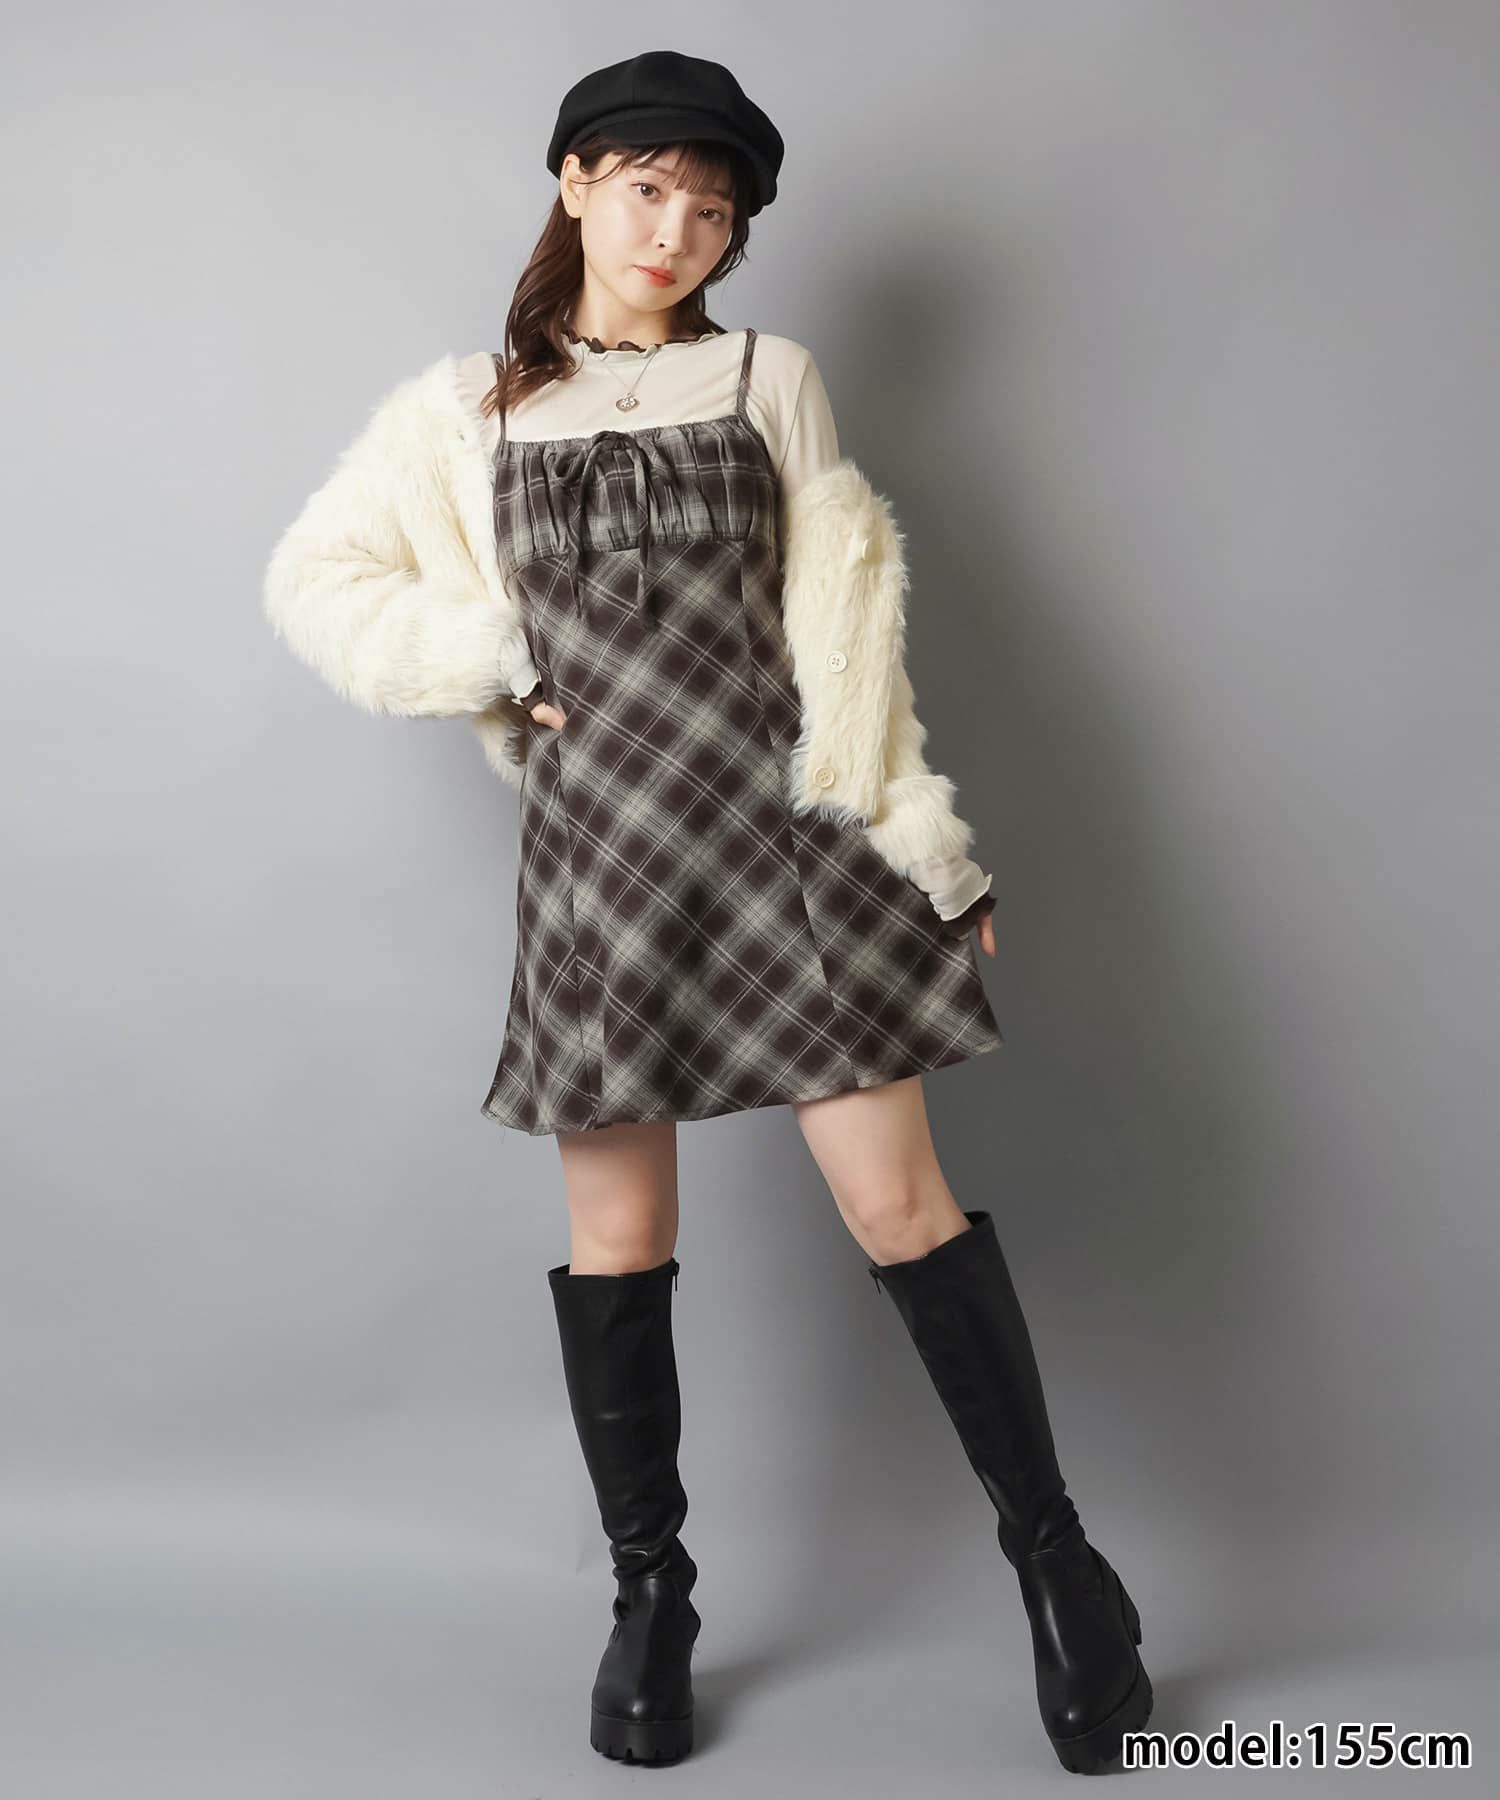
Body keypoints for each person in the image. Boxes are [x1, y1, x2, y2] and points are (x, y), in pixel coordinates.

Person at [261, 47, 1151, 1777]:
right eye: (649, 187)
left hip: (792, 846)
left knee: (902, 1207)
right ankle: (651, 1598)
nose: (677, 229)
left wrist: (928, 848)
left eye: (715, 208)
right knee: (620, 1241)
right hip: (605, 857)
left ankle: (1061, 1568)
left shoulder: (768, 378)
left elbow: (846, 631)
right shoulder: (463, 412)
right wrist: (488, 662)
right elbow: (325, 579)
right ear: (576, 184)